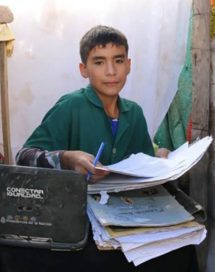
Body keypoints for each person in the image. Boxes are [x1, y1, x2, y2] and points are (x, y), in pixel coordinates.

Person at [7, 25, 196, 272]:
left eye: (118, 61)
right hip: (79, 215)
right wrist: (66, 158)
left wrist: (161, 159)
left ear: (128, 65)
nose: (110, 71)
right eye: (99, 62)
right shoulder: (71, 106)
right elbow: (24, 156)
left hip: (126, 214)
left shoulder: (134, 113)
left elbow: (143, 164)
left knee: (181, 248)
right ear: (83, 69)